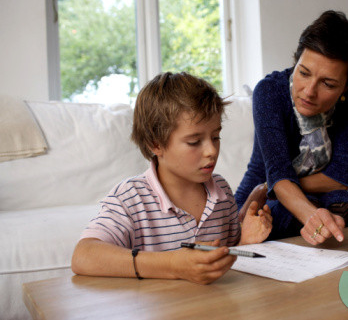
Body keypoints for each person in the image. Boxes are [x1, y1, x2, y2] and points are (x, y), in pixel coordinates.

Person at [72, 72, 272, 285]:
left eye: (215, 137)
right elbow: (83, 256)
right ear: (155, 144)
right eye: (195, 141)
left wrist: (246, 242)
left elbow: (224, 264)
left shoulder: (221, 191)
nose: (211, 151)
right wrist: (173, 265)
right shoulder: (130, 197)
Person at [235, 10, 348, 246]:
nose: (309, 91)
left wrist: (272, 186)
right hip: (257, 197)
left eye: (327, 84)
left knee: (344, 206)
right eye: (304, 73)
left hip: (270, 187)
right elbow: (278, 173)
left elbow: (341, 177)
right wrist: (309, 214)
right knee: (293, 216)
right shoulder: (269, 92)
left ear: (346, 86)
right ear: (296, 61)